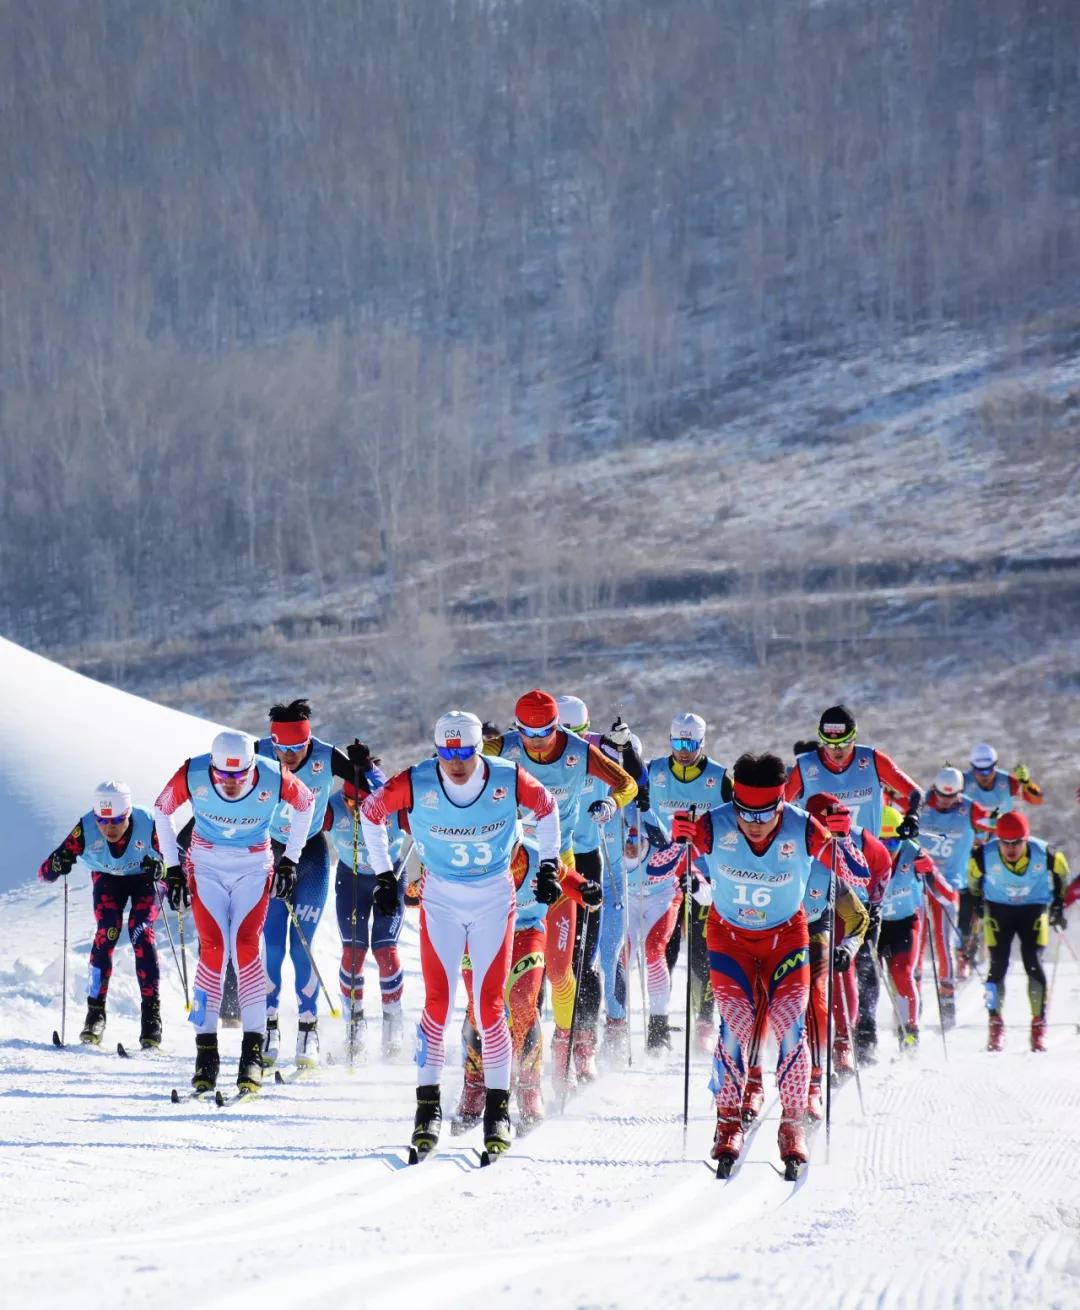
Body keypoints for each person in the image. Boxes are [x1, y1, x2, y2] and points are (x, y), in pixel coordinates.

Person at [361, 710, 561, 1159]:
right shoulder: (417, 781)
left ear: (478, 749)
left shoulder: (507, 777)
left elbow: (547, 807)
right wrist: (382, 875)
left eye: (465, 752)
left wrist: (548, 864)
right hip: (441, 900)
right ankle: (427, 1108)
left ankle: (497, 1112)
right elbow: (372, 813)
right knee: (437, 1003)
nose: (456, 762)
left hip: (493, 897)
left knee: (491, 1008)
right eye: (447, 752)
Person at [672, 752, 849, 1172]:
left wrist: (843, 839)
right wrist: (678, 839)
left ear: (781, 804)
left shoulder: (803, 826)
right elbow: (665, 870)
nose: (754, 823)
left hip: (786, 938)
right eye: (745, 813)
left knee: (790, 1024)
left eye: (765, 813)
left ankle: (792, 1125)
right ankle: (727, 1121)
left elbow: (856, 876)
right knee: (737, 1023)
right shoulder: (715, 824)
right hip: (729, 937)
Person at [484, 690, 635, 1093]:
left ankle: (570, 1046)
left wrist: (611, 805)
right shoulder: (503, 747)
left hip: (562, 865)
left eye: (546, 732)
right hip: (510, 862)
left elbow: (628, 783)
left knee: (561, 968)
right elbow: (455, 760)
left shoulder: (579, 750)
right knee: (512, 970)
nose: (536, 741)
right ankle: (516, 1054)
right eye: (528, 732)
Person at [154, 730, 315, 1093]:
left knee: (245, 949)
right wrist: (172, 868)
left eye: (239, 776)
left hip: (253, 866)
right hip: (206, 865)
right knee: (212, 951)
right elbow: (161, 809)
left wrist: (290, 860)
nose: (230, 784)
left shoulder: (273, 775)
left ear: (252, 766)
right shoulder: (192, 773)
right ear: (211, 767)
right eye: (222, 776)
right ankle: (206, 1055)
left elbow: (306, 803)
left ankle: (252, 1055)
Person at [785, 705, 921, 1061]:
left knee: (860, 959)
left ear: (853, 738)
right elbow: (781, 805)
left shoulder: (871, 761)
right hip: (815, 866)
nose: (836, 751)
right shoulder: (806, 767)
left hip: (861, 863)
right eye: (829, 743)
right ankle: (818, 1037)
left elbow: (913, 792)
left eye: (843, 743)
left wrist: (912, 818)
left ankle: (864, 1033)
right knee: (817, 960)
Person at [256, 699, 372, 1069]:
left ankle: (308, 1028)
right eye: (281, 749)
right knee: (272, 944)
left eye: (296, 749)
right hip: (271, 853)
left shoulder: (325, 755)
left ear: (308, 742)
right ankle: (269, 1025)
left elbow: (369, 789)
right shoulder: (258, 752)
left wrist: (361, 766)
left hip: (311, 856)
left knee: (300, 945)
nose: (288, 757)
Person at [455, 830, 595, 1133]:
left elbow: (567, 876)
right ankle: (476, 1082)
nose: (503, 858)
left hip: (526, 933)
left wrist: (587, 890)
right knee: (480, 1006)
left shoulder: (536, 856)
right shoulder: (473, 858)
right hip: (482, 935)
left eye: (510, 851)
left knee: (522, 1000)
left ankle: (529, 1086)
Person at [557, 696, 648, 1064]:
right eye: (563, 733)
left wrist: (627, 750)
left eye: (577, 733)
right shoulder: (542, 755)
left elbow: (639, 785)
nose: (571, 742)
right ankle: (577, 1033)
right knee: (575, 958)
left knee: (607, 954)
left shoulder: (604, 746)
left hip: (606, 864)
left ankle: (614, 1022)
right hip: (568, 863)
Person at [38, 781, 164, 1048]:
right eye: (102, 820)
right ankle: (95, 1014)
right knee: (108, 932)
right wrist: (58, 863)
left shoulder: (149, 823)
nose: (109, 828)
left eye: (117, 820)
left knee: (140, 932)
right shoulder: (85, 828)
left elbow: (180, 863)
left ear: (128, 814)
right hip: (108, 878)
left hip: (143, 879)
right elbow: (45, 873)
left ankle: (151, 1018)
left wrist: (162, 868)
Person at [649, 712, 731, 1051]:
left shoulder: (720, 777)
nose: (683, 751)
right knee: (662, 949)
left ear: (702, 742)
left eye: (691, 744)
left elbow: (731, 822)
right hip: (662, 874)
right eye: (678, 743)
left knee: (702, 952)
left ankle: (704, 1022)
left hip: (703, 875)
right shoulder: (653, 771)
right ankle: (659, 1022)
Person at [323, 765, 409, 1060]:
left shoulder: (396, 806)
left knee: (385, 949)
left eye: (361, 804)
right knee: (354, 950)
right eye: (349, 803)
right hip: (352, 879)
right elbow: (298, 825)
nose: (354, 810)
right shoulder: (334, 806)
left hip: (391, 877)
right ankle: (354, 1020)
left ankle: (392, 1019)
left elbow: (434, 831)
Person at [968, 811, 1069, 1052]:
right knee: (998, 966)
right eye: (1005, 843)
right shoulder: (984, 855)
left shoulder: (1045, 853)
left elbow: (1062, 874)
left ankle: (1038, 1026)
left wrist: (1057, 905)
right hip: (999, 912)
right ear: (998, 839)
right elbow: (972, 882)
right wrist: (978, 903)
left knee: (1033, 963)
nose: (1011, 849)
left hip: (1032, 910)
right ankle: (995, 1025)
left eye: (1017, 843)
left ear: (1027, 838)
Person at [877, 807, 956, 1049]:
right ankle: (861, 1033)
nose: (888, 850)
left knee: (902, 973)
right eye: (882, 843)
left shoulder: (913, 853)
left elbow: (948, 895)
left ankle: (910, 1032)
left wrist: (929, 869)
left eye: (893, 843)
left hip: (904, 922)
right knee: (866, 979)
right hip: (872, 925)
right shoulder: (863, 853)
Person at [917, 766, 992, 998]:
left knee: (943, 940)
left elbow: (996, 827)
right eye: (941, 795)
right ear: (933, 789)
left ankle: (947, 990)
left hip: (949, 884)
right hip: (918, 879)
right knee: (917, 940)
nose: (946, 801)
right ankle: (913, 990)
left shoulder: (970, 809)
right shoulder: (919, 804)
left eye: (952, 796)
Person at [963, 744, 1044, 827]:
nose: (984, 776)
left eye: (988, 770)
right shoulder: (963, 781)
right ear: (972, 767)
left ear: (995, 765)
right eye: (979, 771)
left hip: (1002, 835)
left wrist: (1027, 783)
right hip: (974, 836)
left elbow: (1037, 801)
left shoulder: (1008, 781)